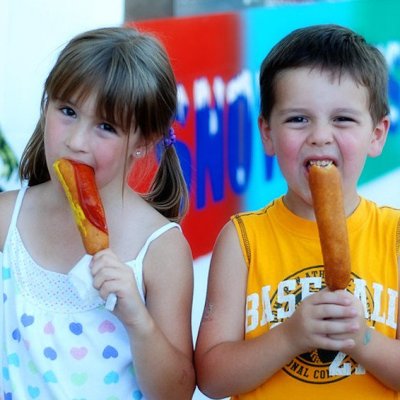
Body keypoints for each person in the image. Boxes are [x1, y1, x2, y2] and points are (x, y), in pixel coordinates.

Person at [195, 24, 400, 399]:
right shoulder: (243, 240)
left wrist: (362, 337)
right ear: (267, 134)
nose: (320, 136)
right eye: (298, 119)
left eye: (343, 119)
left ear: (377, 134)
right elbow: (210, 377)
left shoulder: (394, 236)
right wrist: (289, 336)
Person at [0, 27, 195, 399]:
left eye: (106, 127)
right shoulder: (7, 218)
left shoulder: (159, 250)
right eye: (67, 111)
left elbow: (177, 392)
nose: (75, 142)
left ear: (143, 143)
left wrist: (138, 320)